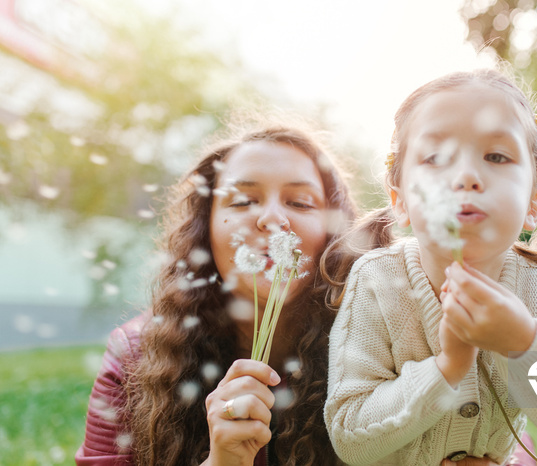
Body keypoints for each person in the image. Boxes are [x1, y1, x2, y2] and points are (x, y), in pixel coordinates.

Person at [323, 69, 537, 465]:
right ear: (399, 201)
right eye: (436, 157)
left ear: (533, 205)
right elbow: (350, 434)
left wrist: (522, 343)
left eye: (496, 156)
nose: (467, 176)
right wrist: (447, 369)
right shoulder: (376, 280)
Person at [75, 124, 358, 466]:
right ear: (204, 230)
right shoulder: (136, 354)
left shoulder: (379, 346)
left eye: (299, 202)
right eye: (242, 201)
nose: (272, 219)